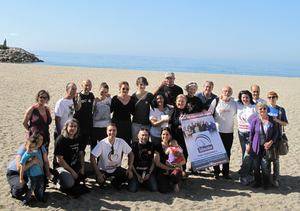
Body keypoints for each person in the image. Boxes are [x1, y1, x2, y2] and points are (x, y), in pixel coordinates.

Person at [90, 123, 134, 190]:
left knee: (130, 175)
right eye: (110, 130)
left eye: (114, 130)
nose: (112, 132)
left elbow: (131, 154)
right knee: (100, 181)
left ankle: (115, 182)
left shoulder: (121, 141)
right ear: (106, 131)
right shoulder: (102, 143)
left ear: (116, 131)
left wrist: (129, 168)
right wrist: (98, 173)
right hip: (104, 169)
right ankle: (102, 180)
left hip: (116, 168)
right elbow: (92, 157)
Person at [247, 102, 278, 189]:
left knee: (265, 166)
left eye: (264, 108)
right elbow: (251, 134)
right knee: (256, 166)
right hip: (256, 147)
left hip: (267, 147)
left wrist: (271, 142)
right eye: (260, 109)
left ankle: (266, 183)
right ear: (257, 110)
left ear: (267, 109)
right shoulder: (254, 120)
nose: (262, 110)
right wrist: (249, 145)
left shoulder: (272, 120)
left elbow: (276, 133)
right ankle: (257, 182)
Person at [209, 86, 237, 179]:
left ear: (231, 93)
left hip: (229, 131)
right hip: (217, 131)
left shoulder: (234, 102)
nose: (227, 93)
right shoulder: (216, 101)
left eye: (229, 91)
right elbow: (209, 113)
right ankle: (216, 172)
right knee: (216, 152)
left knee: (227, 152)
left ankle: (225, 172)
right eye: (225, 91)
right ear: (221, 92)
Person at [53, 118, 85, 191]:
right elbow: (59, 160)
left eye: (75, 126)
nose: (73, 128)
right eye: (71, 126)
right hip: (62, 167)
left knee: (87, 172)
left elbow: (81, 153)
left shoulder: (78, 137)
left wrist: (82, 169)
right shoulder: (61, 140)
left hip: (74, 164)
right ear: (66, 127)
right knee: (69, 184)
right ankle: (58, 180)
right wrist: (73, 172)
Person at [19, 133, 50, 205]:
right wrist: (21, 178)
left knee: (41, 187)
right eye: (29, 147)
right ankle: (26, 199)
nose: (30, 149)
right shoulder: (27, 154)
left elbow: (45, 161)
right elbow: (22, 166)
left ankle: (40, 197)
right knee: (31, 188)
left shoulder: (38, 150)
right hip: (32, 176)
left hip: (41, 174)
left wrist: (47, 172)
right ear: (26, 145)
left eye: (32, 147)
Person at [267, 91, 288, 187]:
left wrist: (277, 120)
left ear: (277, 98)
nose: (272, 99)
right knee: (267, 159)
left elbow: (285, 123)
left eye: (273, 97)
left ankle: (275, 179)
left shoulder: (280, 110)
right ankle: (267, 178)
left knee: (276, 160)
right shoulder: (266, 108)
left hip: (278, 138)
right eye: (270, 97)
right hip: (267, 137)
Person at [154, 127, 185, 193]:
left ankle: (175, 182)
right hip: (162, 168)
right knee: (163, 190)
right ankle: (171, 181)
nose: (165, 136)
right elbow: (157, 163)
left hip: (174, 168)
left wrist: (177, 165)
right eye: (163, 134)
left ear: (170, 135)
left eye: (167, 134)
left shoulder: (175, 144)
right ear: (161, 135)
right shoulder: (157, 146)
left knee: (176, 173)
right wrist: (168, 168)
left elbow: (183, 160)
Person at [128, 128, 157, 192]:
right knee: (132, 189)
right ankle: (139, 182)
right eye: (142, 135)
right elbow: (130, 163)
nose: (144, 137)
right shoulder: (133, 146)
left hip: (147, 172)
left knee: (154, 188)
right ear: (138, 136)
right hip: (136, 172)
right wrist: (137, 175)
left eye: (146, 135)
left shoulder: (151, 145)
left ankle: (143, 182)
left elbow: (153, 162)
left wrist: (149, 173)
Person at [111, 81, 135, 145]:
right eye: (123, 88)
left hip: (127, 124)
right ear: (119, 89)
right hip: (116, 124)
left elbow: (134, 112)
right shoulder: (115, 98)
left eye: (127, 89)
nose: (125, 90)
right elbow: (110, 111)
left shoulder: (132, 99)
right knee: (116, 144)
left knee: (127, 144)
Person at [73, 79, 95, 152]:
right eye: (86, 85)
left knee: (84, 145)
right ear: (82, 86)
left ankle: (82, 162)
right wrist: (78, 100)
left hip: (88, 125)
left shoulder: (91, 96)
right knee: (77, 146)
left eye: (89, 85)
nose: (88, 87)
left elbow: (94, 106)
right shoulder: (77, 95)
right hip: (79, 125)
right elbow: (76, 108)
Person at [169, 94, 189, 172]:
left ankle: (183, 170)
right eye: (179, 101)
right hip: (175, 137)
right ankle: (175, 170)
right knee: (175, 154)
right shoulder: (173, 111)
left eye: (183, 101)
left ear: (186, 102)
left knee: (184, 153)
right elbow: (170, 122)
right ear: (176, 102)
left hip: (186, 138)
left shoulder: (188, 111)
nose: (180, 103)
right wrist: (179, 122)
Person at [131, 77, 154, 142]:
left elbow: (155, 108)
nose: (143, 86)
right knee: (135, 141)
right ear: (137, 84)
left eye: (144, 84)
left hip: (146, 124)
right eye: (141, 84)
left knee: (145, 142)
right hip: (136, 123)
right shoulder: (133, 96)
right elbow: (131, 110)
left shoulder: (149, 95)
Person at [237, 90, 257, 159]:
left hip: (250, 133)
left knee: (249, 151)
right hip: (241, 132)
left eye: (247, 97)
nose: (245, 99)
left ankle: (250, 169)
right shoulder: (238, 104)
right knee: (243, 150)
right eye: (243, 97)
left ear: (250, 98)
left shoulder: (254, 107)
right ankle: (244, 168)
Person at [91, 82, 111, 150]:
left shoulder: (109, 99)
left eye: (105, 92)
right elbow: (91, 112)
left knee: (103, 147)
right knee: (94, 147)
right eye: (102, 91)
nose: (103, 93)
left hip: (105, 127)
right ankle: (93, 160)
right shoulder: (95, 100)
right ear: (99, 90)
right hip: (95, 126)